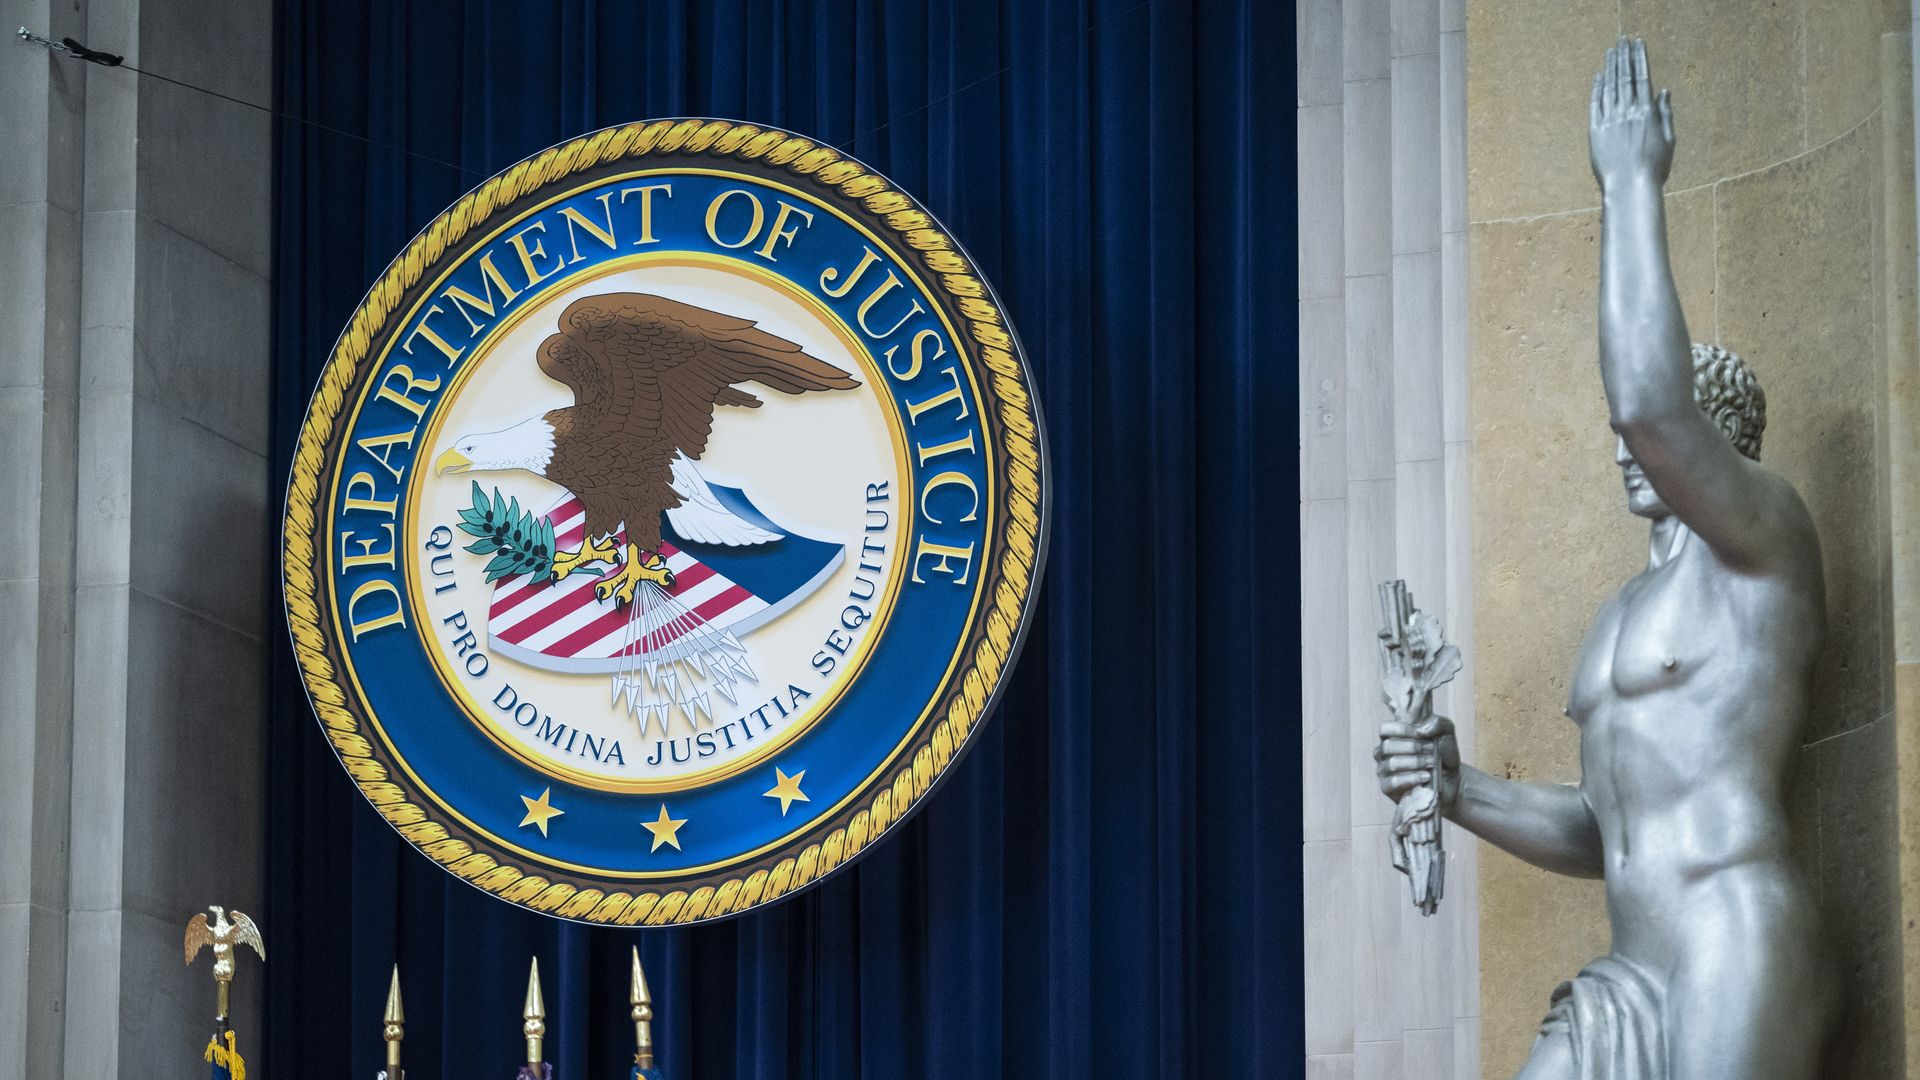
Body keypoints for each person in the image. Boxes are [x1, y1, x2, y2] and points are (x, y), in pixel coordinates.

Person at [1375, 37, 1837, 1079]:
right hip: (1632, 968)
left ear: (1717, 448)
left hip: (1736, 942)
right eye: (1624, 440)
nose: (1627, 447)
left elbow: (1647, 404)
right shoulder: (1625, 612)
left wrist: (1631, 187)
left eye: (1663, 440)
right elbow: (1606, 825)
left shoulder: (1765, 546)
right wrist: (1459, 787)